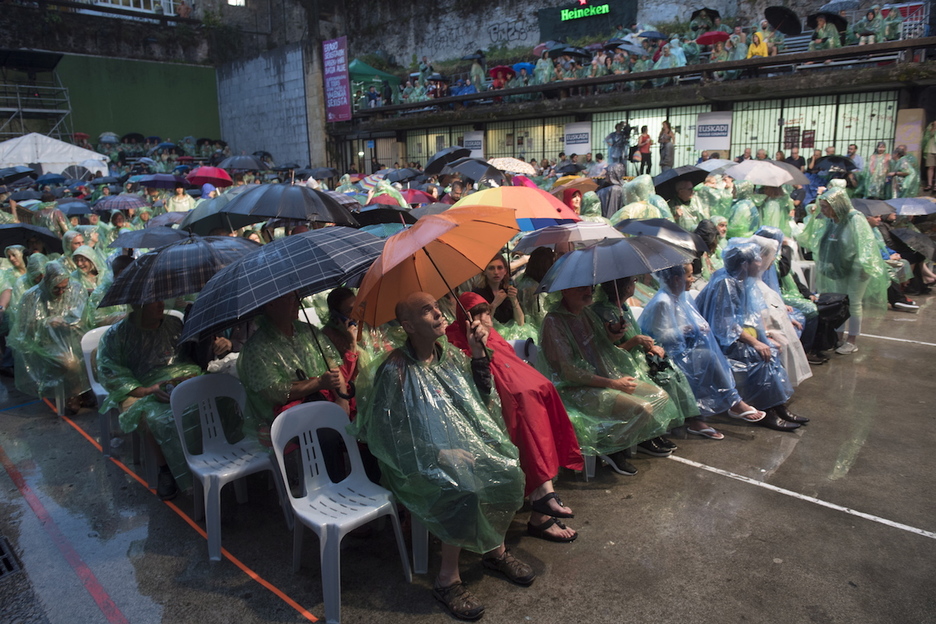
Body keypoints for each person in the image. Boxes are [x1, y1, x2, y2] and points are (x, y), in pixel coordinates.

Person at [350, 292, 532, 620]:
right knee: (465, 490)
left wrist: (478, 352)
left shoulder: (449, 357)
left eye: (436, 307)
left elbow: (480, 399)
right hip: (413, 461)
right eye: (427, 310)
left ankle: (495, 551)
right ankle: (447, 580)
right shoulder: (395, 370)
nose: (438, 313)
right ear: (408, 325)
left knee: (506, 468)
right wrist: (438, 453)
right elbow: (387, 434)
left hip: (459, 446)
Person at [447, 293, 583, 542]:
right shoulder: (455, 342)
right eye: (476, 314)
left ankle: (544, 495)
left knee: (535, 410)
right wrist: (478, 351)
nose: (484, 319)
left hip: (522, 401)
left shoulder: (493, 336)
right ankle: (542, 502)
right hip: (487, 415)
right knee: (526, 416)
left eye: (487, 312)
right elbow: (479, 389)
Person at [538, 284, 682, 474]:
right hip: (573, 389)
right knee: (643, 408)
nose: (588, 292)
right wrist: (613, 384)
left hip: (602, 377)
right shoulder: (554, 322)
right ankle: (612, 449)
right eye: (581, 289)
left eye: (589, 288)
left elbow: (601, 346)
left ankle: (628, 440)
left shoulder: (586, 313)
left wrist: (613, 334)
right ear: (565, 290)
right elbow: (569, 372)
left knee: (660, 397)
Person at [97, 300, 205, 499]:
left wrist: (187, 376)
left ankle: (207, 456)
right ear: (138, 305)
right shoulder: (117, 335)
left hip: (181, 379)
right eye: (153, 301)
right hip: (138, 387)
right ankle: (165, 469)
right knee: (153, 418)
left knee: (211, 403)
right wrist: (146, 390)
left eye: (160, 298)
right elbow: (112, 374)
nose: (160, 304)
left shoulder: (174, 324)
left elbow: (188, 356)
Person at [641, 263, 766, 432]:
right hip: (666, 356)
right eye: (689, 275)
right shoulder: (663, 302)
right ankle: (732, 403)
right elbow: (659, 337)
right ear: (677, 279)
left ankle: (703, 417)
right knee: (709, 358)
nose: (692, 279)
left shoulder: (681, 298)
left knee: (709, 357)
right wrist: (687, 329)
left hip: (681, 350)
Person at [694, 241, 802, 430]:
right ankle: (766, 410)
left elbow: (752, 316)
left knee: (771, 350)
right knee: (759, 356)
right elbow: (723, 326)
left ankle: (777, 406)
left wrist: (764, 337)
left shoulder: (744, 281)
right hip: (717, 341)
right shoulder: (725, 283)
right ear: (745, 264)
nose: (761, 263)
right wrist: (756, 343)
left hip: (733, 336)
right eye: (756, 260)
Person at [594, 277, 714, 438]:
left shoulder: (624, 309)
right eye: (633, 281)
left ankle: (682, 422)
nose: (636, 283)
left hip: (639, 357)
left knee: (673, 373)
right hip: (620, 365)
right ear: (626, 287)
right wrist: (635, 342)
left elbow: (639, 335)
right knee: (664, 379)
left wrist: (651, 347)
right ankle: (657, 430)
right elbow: (605, 352)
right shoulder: (603, 313)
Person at [237, 291, 351, 441]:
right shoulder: (257, 348)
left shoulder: (308, 331)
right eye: (291, 298)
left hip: (326, 404)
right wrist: (318, 383)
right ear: (271, 304)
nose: (298, 302)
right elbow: (275, 392)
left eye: (298, 297)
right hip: (288, 422)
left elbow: (333, 366)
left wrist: (342, 400)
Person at [797, 188, 889, 354]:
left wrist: (866, 265)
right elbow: (825, 242)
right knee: (839, 301)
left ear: (836, 205)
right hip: (839, 265)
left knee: (853, 302)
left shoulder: (855, 218)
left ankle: (852, 340)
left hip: (858, 266)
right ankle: (837, 337)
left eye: (825, 207)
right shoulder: (832, 220)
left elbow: (865, 244)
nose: (823, 211)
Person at [9, 261, 90, 413]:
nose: (61, 291)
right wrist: (45, 323)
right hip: (44, 343)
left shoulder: (75, 289)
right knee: (71, 362)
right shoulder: (31, 297)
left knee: (93, 355)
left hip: (73, 337)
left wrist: (70, 322)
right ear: (46, 281)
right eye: (56, 288)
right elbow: (23, 330)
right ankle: (74, 395)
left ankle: (86, 391)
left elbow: (84, 316)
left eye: (64, 287)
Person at [473, 254, 524, 328]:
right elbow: (482, 326)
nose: (496, 272)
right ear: (484, 272)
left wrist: (514, 300)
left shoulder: (509, 289)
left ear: (505, 271)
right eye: (491, 268)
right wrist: (493, 305)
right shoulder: (477, 294)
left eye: (500, 268)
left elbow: (520, 322)